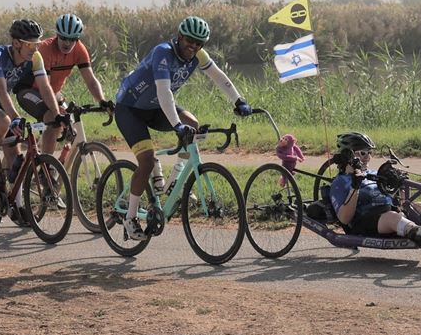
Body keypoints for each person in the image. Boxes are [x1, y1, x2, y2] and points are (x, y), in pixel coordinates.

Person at [112, 15, 252, 240]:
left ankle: (173, 182)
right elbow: (164, 92)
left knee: (193, 125)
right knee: (146, 161)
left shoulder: (198, 55)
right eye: (189, 40)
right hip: (130, 108)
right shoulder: (163, 52)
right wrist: (177, 125)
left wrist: (238, 101)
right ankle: (130, 217)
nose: (193, 46)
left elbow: (218, 76)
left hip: (156, 107)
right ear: (179, 37)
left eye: (198, 43)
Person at [0, 19, 57, 193]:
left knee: (16, 161)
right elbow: (1, 91)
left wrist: (56, 113)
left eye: (37, 44)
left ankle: (15, 202)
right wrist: (15, 117)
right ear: (16, 43)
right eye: (30, 45)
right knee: (4, 122)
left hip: (2, 103)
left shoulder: (35, 57)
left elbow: (45, 87)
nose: (35, 49)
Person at [13, 12, 112, 158]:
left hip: (53, 92)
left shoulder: (80, 49)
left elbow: (91, 80)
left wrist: (102, 101)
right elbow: (45, 86)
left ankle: (49, 158)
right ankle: (46, 166)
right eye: (63, 38)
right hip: (30, 90)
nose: (67, 43)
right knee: (53, 119)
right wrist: (56, 112)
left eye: (72, 39)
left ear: (77, 39)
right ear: (57, 35)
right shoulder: (46, 49)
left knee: (70, 127)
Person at [328, 131, 421, 241]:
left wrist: (400, 185)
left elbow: (402, 203)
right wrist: (355, 187)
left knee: (419, 206)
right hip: (366, 222)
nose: (367, 157)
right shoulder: (340, 182)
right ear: (347, 155)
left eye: (369, 153)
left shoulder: (374, 173)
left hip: (392, 214)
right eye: (363, 153)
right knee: (391, 217)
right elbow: (344, 219)